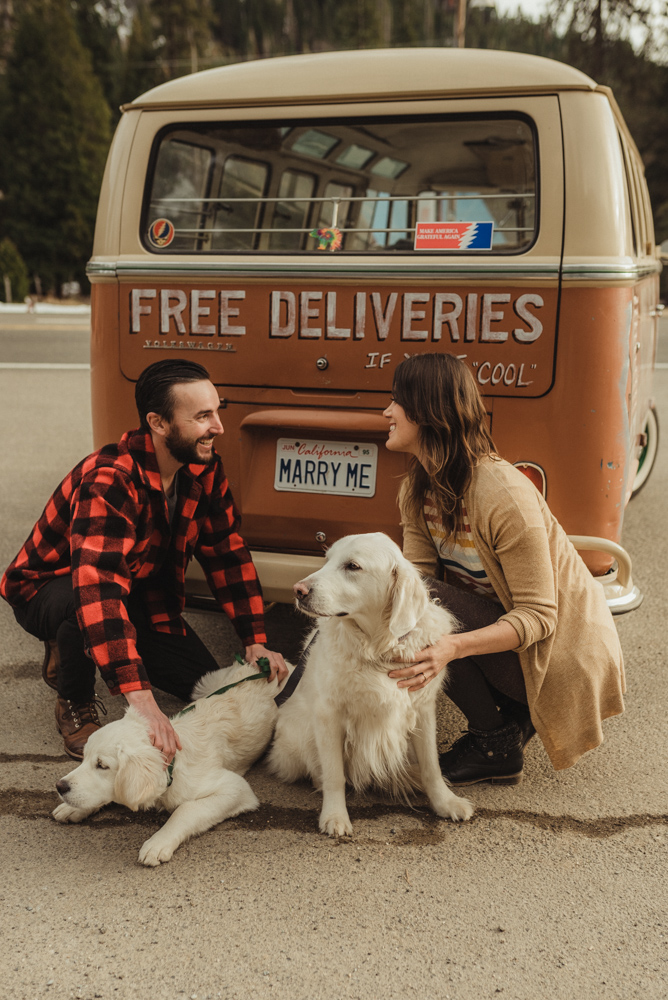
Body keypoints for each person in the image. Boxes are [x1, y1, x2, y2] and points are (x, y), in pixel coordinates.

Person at [1, 359, 287, 761]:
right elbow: (98, 589)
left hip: (136, 591)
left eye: (216, 411)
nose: (218, 427)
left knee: (205, 685)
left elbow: (226, 553)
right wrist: (143, 704)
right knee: (80, 610)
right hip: (50, 586)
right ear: (158, 422)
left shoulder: (204, 469)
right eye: (203, 416)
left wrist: (254, 641)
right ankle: (74, 700)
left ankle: (83, 651)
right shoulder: (110, 479)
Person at [382, 353, 625, 785]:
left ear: (426, 412)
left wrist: (451, 648)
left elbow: (540, 616)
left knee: (426, 602)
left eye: (396, 401)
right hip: (511, 645)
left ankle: (494, 744)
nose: (386, 412)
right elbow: (414, 580)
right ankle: (511, 716)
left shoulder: (503, 494)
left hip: (559, 656)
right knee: (412, 595)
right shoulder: (417, 489)